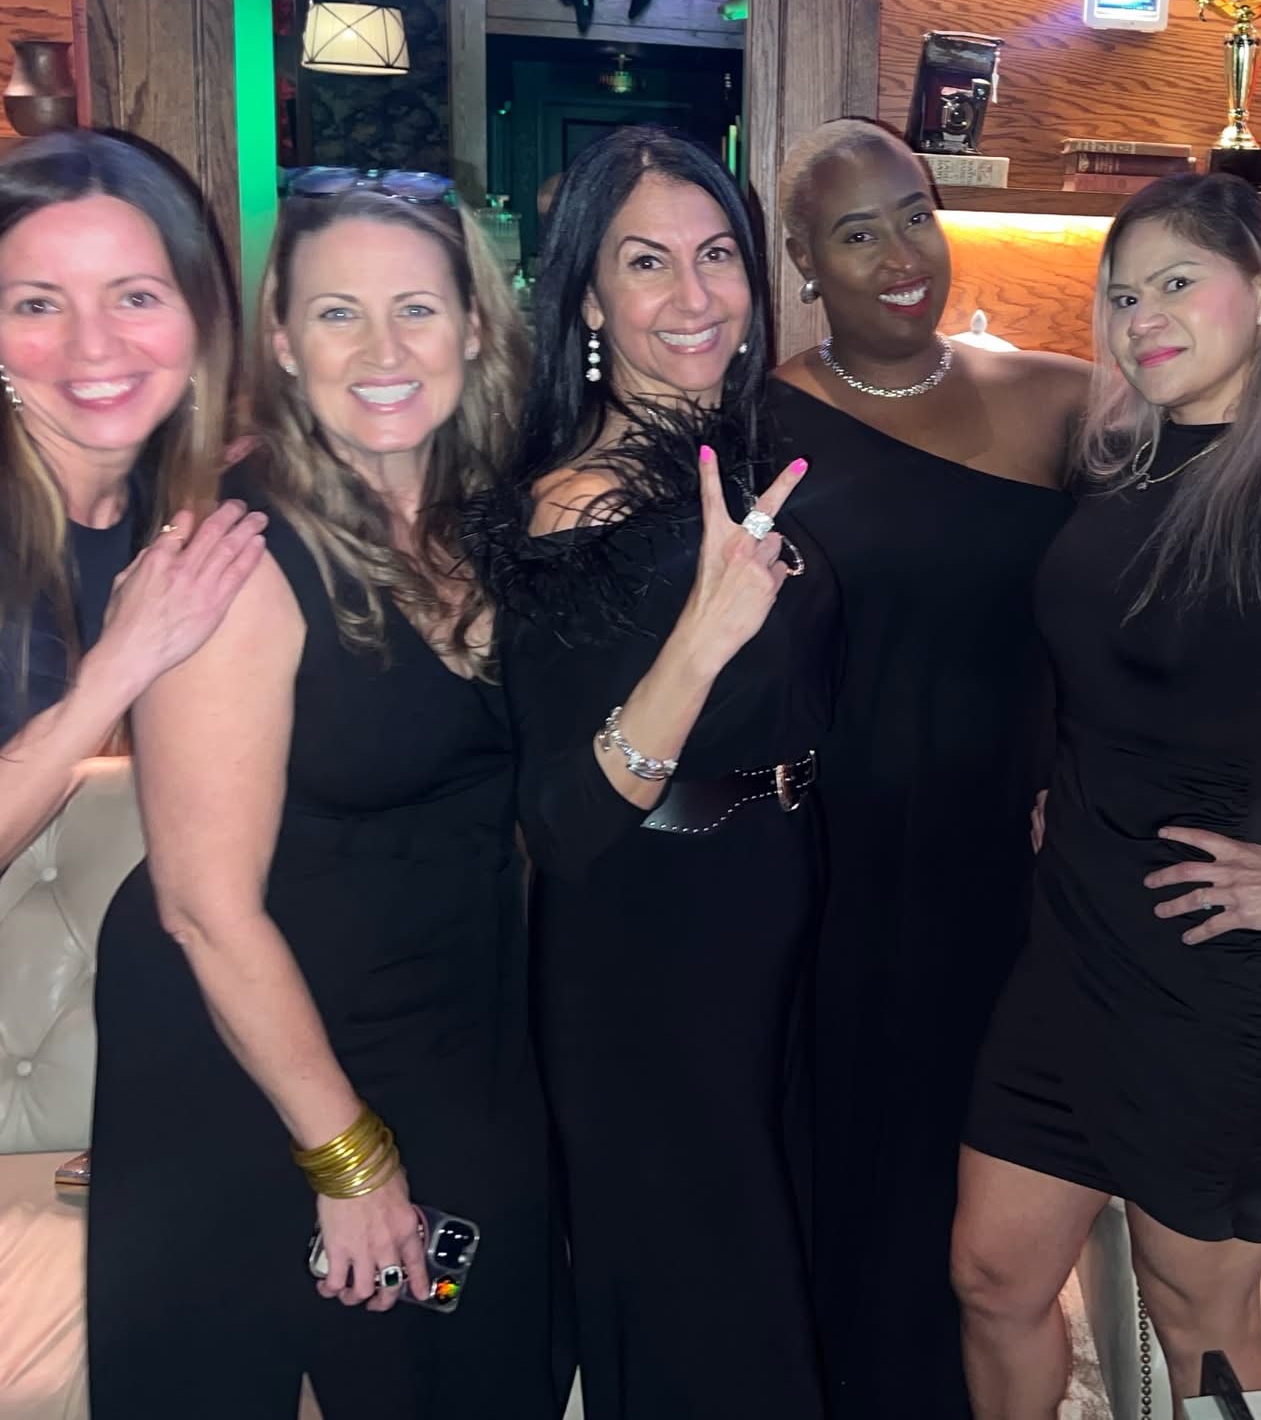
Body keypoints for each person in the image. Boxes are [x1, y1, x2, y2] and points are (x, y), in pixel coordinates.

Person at [87, 190, 571, 1418]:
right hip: (249, 1057)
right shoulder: (237, 552)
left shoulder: (493, 522)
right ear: (287, 343)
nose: (384, 351)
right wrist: (347, 1160)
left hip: (452, 1026)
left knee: (484, 1363)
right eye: (338, 315)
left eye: (417, 309)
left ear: (474, 327)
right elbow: (201, 906)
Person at [953, 172, 1261, 1418]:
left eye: (1178, 281)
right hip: (1068, 940)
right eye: (1122, 294)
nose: (1143, 316)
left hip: (1215, 963)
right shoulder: (1119, 464)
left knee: (1203, 1327)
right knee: (993, 1275)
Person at [476, 125, 833, 1420]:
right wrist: (703, 633)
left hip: (764, 916)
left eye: (715, 256)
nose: (693, 298)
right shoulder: (569, 505)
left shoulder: (748, 450)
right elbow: (564, 824)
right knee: (707, 1326)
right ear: (585, 293)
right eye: (645, 264)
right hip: (646, 955)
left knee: (760, 1296)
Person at [768, 118, 1085, 1420]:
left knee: (971, 1232)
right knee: (834, 1195)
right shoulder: (757, 414)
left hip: (998, 884)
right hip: (815, 880)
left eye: (914, 214)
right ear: (801, 258)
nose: (900, 254)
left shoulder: (1055, 398)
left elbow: (1201, 505)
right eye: (856, 230)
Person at [0, 128, 263, 870]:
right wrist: (124, 663)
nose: (93, 346)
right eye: (37, 305)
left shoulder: (186, 506)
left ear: (200, 316)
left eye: (136, 297)